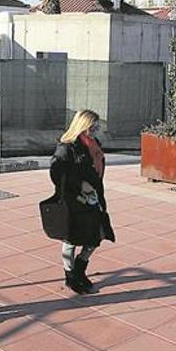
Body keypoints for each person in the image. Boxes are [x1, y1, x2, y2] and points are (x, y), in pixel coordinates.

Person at [49, 110, 115, 294]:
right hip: (74, 200)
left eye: (97, 125)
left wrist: (93, 189)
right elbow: (56, 172)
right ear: (82, 125)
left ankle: (80, 268)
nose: (95, 129)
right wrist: (80, 184)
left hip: (94, 197)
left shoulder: (95, 144)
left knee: (96, 237)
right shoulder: (67, 146)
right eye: (91, 126)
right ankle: (70, 276)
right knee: (72, 240)